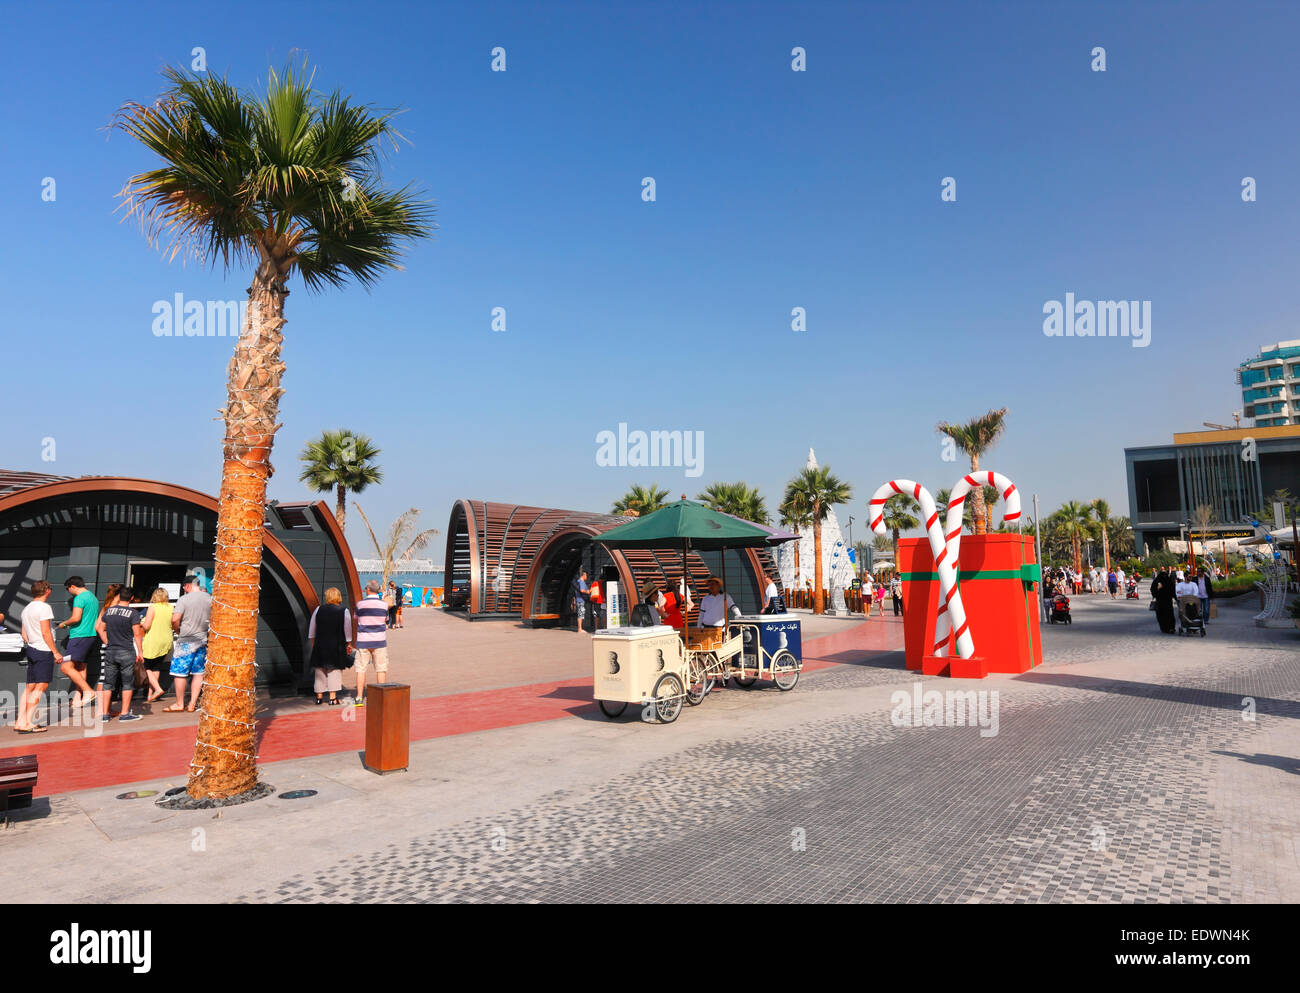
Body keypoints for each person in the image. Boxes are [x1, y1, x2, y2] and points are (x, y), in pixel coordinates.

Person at [15, 580, 60, 733]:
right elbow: (46, 633)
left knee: (29, 687)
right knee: (41, 686)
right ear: (47, 590)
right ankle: (28, 722)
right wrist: (55, 651)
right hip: (43, 650)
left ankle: (20, 721)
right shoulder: (44, 607)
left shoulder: (26, 609)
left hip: (32, 649)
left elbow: (24, 634)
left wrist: (33, 643)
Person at [95, 585, 143, 722]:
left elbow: (100, 628)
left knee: (108, 683)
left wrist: (108, 641)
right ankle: (124, 714)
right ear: (132, 598)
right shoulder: (133, 613)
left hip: (111, 651)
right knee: (127, 683)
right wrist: (140, 651)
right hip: (126, 651)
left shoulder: (109, 611)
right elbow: (137, 634)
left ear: (119, 596)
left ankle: (104, 714)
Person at [166, 574, 211, 713]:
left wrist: (177, 630)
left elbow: (175, 619)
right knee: (198, 673)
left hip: (186, 641)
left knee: (179, 673)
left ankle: (179, 704)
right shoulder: (210, 599)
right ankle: (192, 704)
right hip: (202, 641)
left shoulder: (184, 599)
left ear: (188, 586)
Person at [55, 576, 99, 709]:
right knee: (81, 667)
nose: (69, 592)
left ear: (72, 586)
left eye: (68, 589)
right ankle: (77, 699)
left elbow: (75, 618)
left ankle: (89, 691)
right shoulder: (93, 597)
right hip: (90, 636)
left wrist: (63, 624)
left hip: (79, 636)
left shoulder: (79, 598)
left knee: (65, 667)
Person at [309, 587, 352, 705]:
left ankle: (319, 697)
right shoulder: (344, 611)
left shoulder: (318, 609)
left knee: (319, 670)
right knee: (334, 671)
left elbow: (312, 630)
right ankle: (333, 698)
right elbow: (347, 630)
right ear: (338, 597)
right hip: (336, 645)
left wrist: (314, 643)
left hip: (320, 644)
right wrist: (348, 643)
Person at [352, 579, 389, 706]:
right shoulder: (384, 605)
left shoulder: (360, 604)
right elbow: (386, 619)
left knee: (361, 669)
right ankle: (381, 697)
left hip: (363, 641)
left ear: (367, 589)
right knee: (380, 669)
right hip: (379, 641)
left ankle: (359, 697)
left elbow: (356, 618)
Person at [139, 587, 174, 704]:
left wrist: (141, 623)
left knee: (146, 666)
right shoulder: (171, 607)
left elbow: (147, 626)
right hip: (166, 641)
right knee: (156, 667)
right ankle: (150, 695)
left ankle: (158, 689)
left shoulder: (152, 607)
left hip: (153, 641)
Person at [572, 570, 590, 634]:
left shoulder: (578, 581)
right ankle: (580, 629)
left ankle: (580, 628)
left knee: (580, 613)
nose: (587, 577)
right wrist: (587, 592)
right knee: (580, 614)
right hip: (581, 600)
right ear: (584, 575)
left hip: (579, 600)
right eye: (587, 576)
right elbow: (582, 590)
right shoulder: (581, 582)